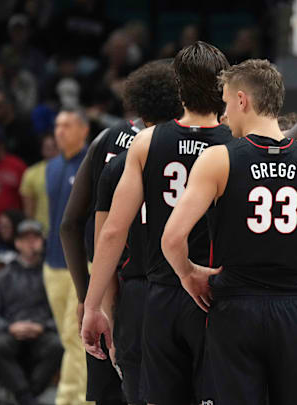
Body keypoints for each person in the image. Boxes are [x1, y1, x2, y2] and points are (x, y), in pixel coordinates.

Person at [160, 57, 297, 404]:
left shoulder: (218, 159)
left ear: (242, 100)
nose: (224, 114)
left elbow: (172, 238)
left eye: (226, 102)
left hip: (237, 307)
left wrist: (188, 274)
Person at [81, 41, 231, 405]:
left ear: (178, 88)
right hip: (217, 294)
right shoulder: (234, 144)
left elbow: (113, 231)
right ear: (224, 88)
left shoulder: (147, 142)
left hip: (160, 294)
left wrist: (92, 305)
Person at [60, 58, 182, 405]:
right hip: (164, 286)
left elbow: (69, 224)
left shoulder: (106, 139)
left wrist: (88, 297)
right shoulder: (190, 145)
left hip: (112, 286)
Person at [0, 219, 64, 405]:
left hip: (42, 330)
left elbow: (61, 311)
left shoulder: (51, 273)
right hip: (12, 330)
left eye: (35, 238)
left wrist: (43, 326)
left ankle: (29, 395)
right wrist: (9, 327)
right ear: (17, 243)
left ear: (42, 241)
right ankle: (26, 397)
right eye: (25, 238)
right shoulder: (5, 275)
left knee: (58, 345)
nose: (30, 243)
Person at [44, 107, 90, 405]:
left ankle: (73, 398)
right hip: (52, 265)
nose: (59, 131)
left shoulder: (92, 161)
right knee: (67, 339)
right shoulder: (50, 167)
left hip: (81, 264)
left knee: (77, 339)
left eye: (67, 125)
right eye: (57, 125)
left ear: (84, 130)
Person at [19, 134, 58, 235]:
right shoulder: (31, 173)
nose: (51, 151)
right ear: (42, 150)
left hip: (64, 229)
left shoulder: (74, 170)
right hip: (41, 230)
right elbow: (29, 209)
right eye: (47, 148)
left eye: (55, 147)